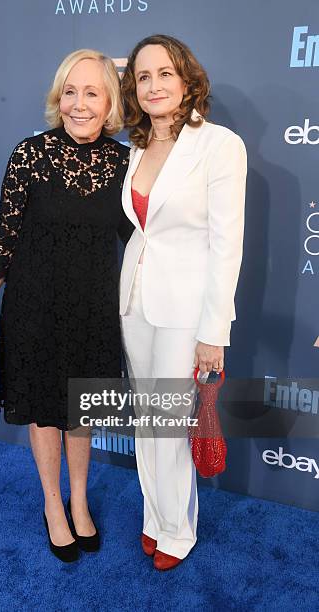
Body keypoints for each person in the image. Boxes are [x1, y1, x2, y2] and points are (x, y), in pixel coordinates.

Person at [0, 49, 133, 563]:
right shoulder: (29, 155)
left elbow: (148, 240)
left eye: (91, 92)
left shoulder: (126, 162)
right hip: (35, 307)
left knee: (80, 410)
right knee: (44, 410)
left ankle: (79, 500)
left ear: (109, 103)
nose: (78, 104)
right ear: (57, 98)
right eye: (69, 91)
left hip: (95, 309)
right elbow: (4, 239)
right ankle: (52, 506)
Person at [120, 34, 247, 570]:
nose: (153, 85)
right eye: (143, 77)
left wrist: (213, 331)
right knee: (147, 419)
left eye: (164, 74)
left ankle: (178, 530)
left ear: (187, 78)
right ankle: (155, 517)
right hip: (134, 299)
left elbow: (226, 245)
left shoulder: (219, 145)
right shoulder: (136, 146)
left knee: (169, 423)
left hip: (187, 308)